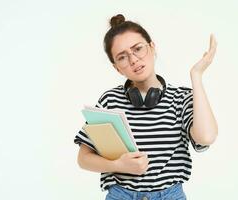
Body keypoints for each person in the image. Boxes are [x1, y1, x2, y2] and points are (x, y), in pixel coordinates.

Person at [74, 14, 218, 200]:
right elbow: (83, 159)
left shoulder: (182, 97)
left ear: (152, 47)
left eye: (138, 49)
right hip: (121, 195)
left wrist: (196, 76)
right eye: (122, 57)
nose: (133, 60)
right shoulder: (110, 100)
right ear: (116, 67)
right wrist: (118, 165)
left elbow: (206, 137)